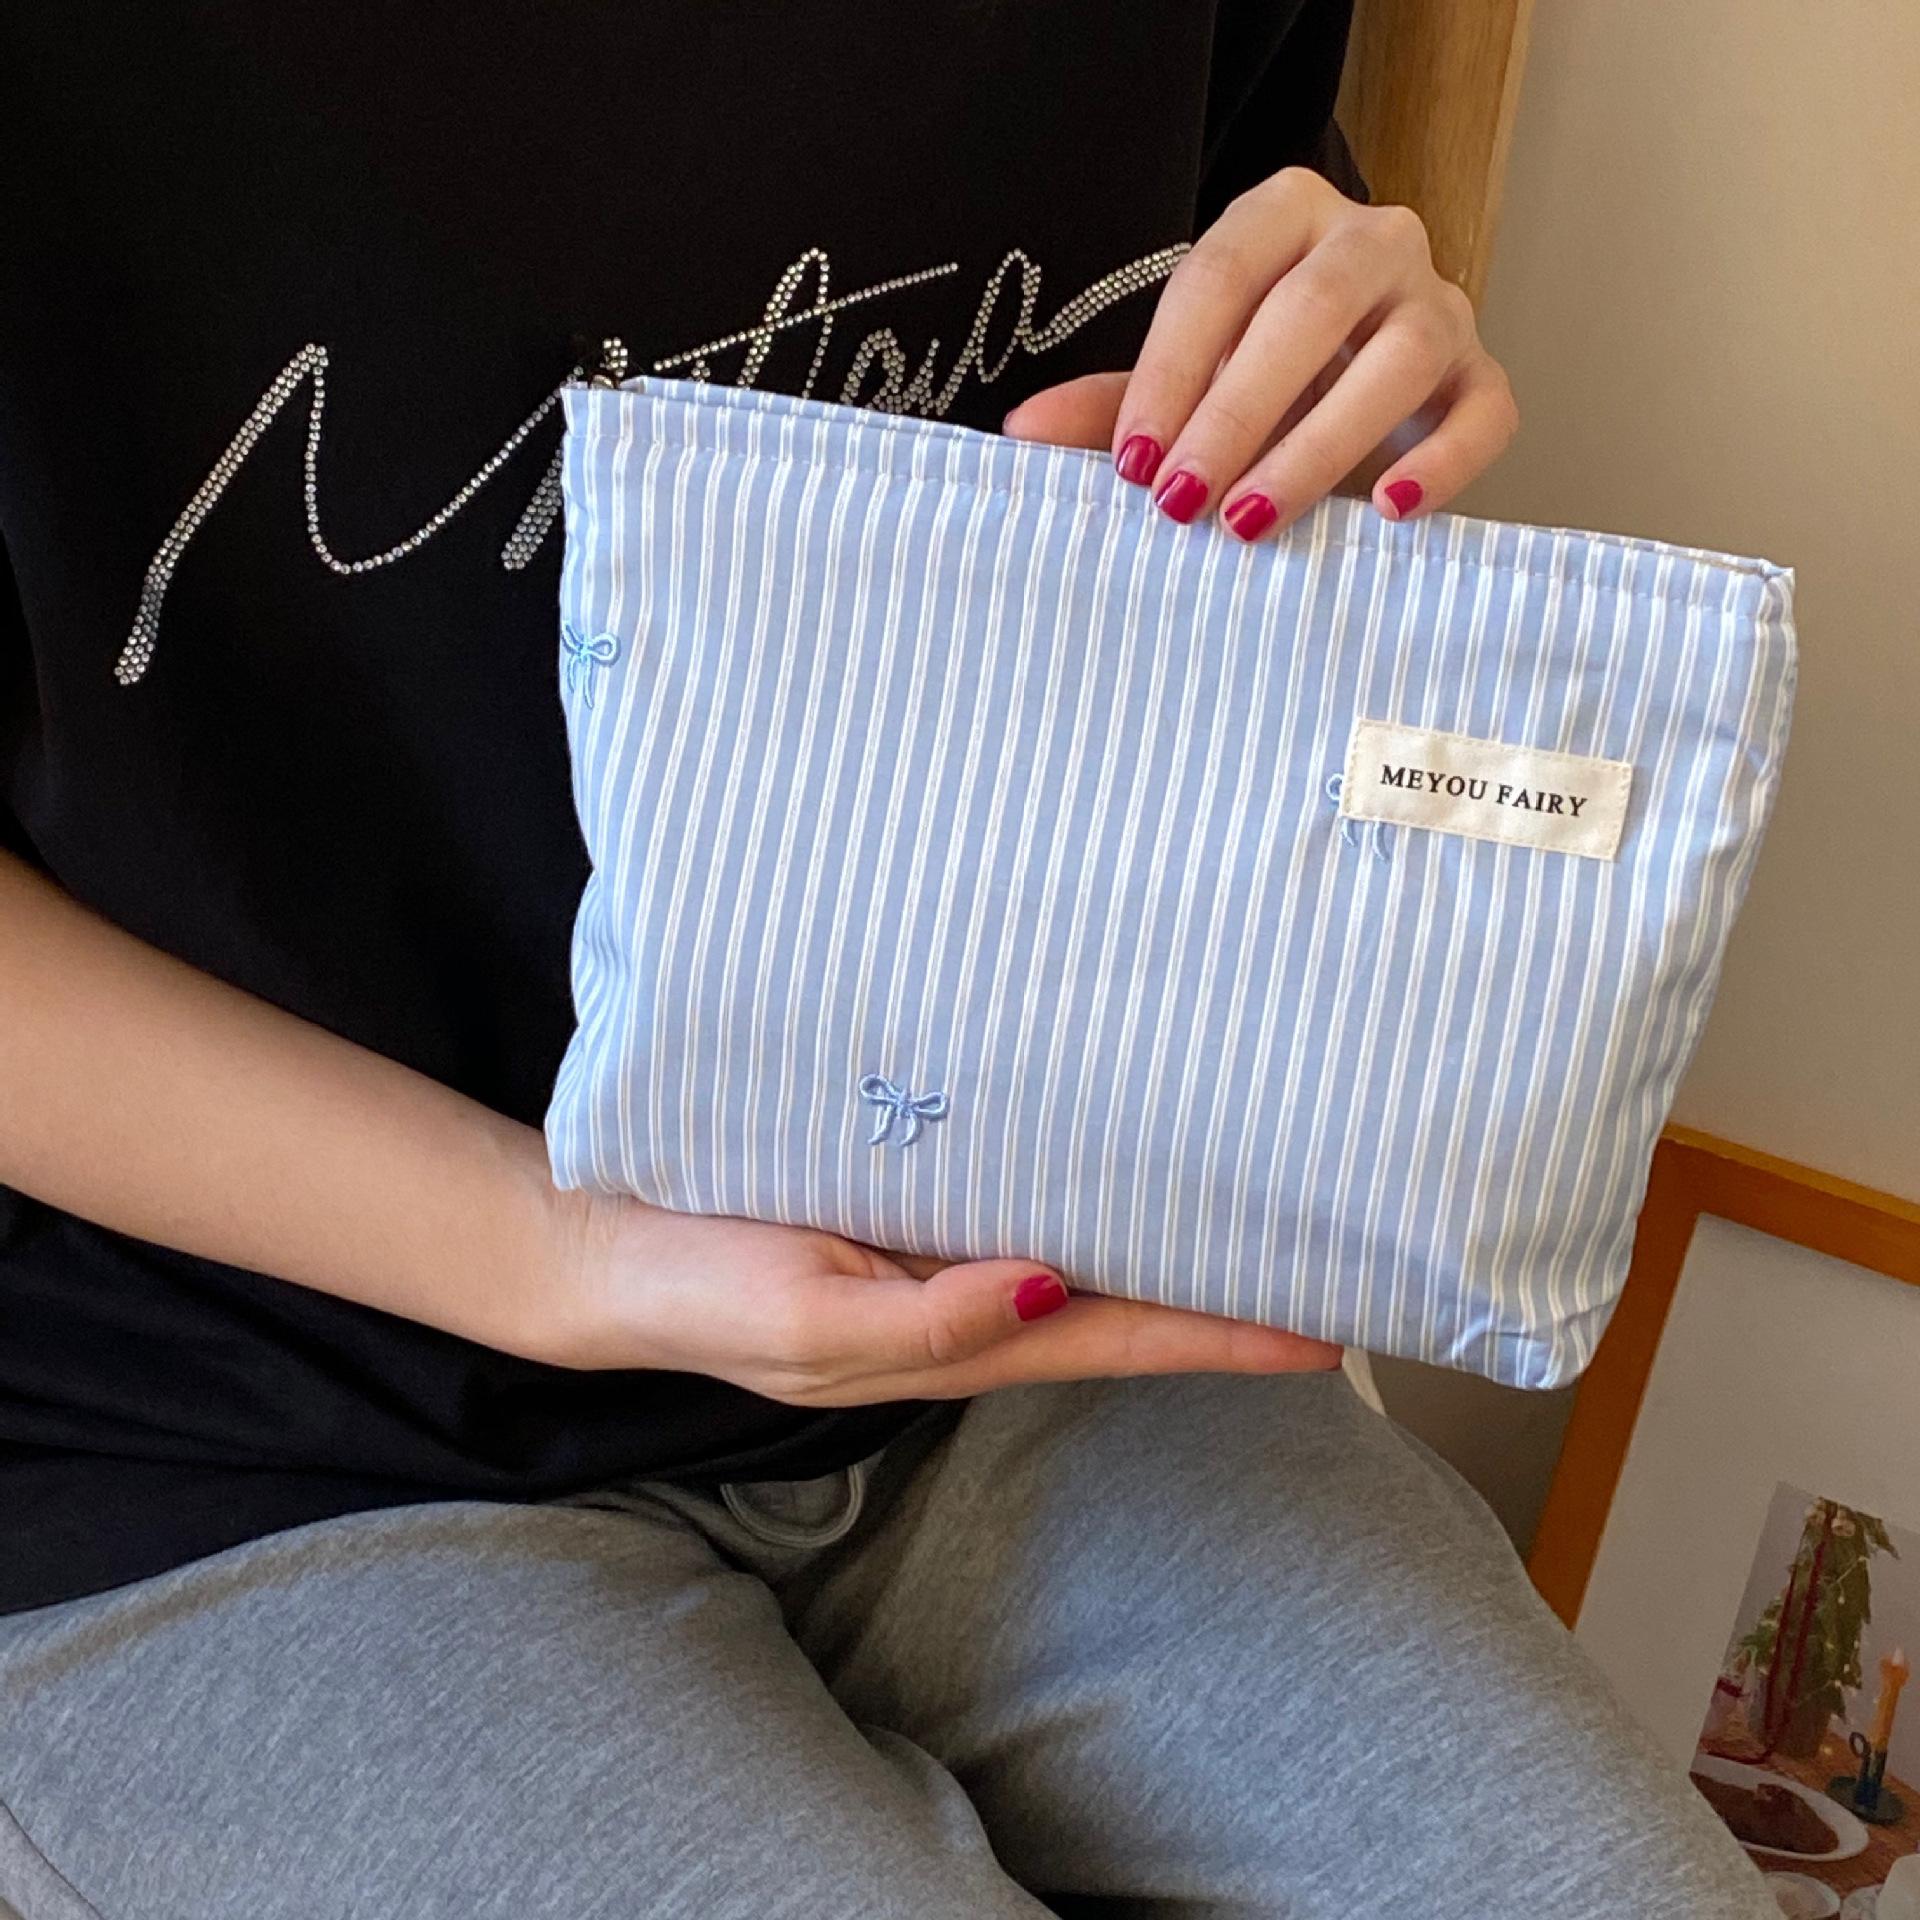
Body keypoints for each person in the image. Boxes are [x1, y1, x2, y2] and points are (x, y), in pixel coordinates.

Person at [0, 5, 1775, 1915]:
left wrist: (1335, 376)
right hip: (222, 1429)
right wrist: (565, 1256)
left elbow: (1215, 397)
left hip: (1031, 1302)